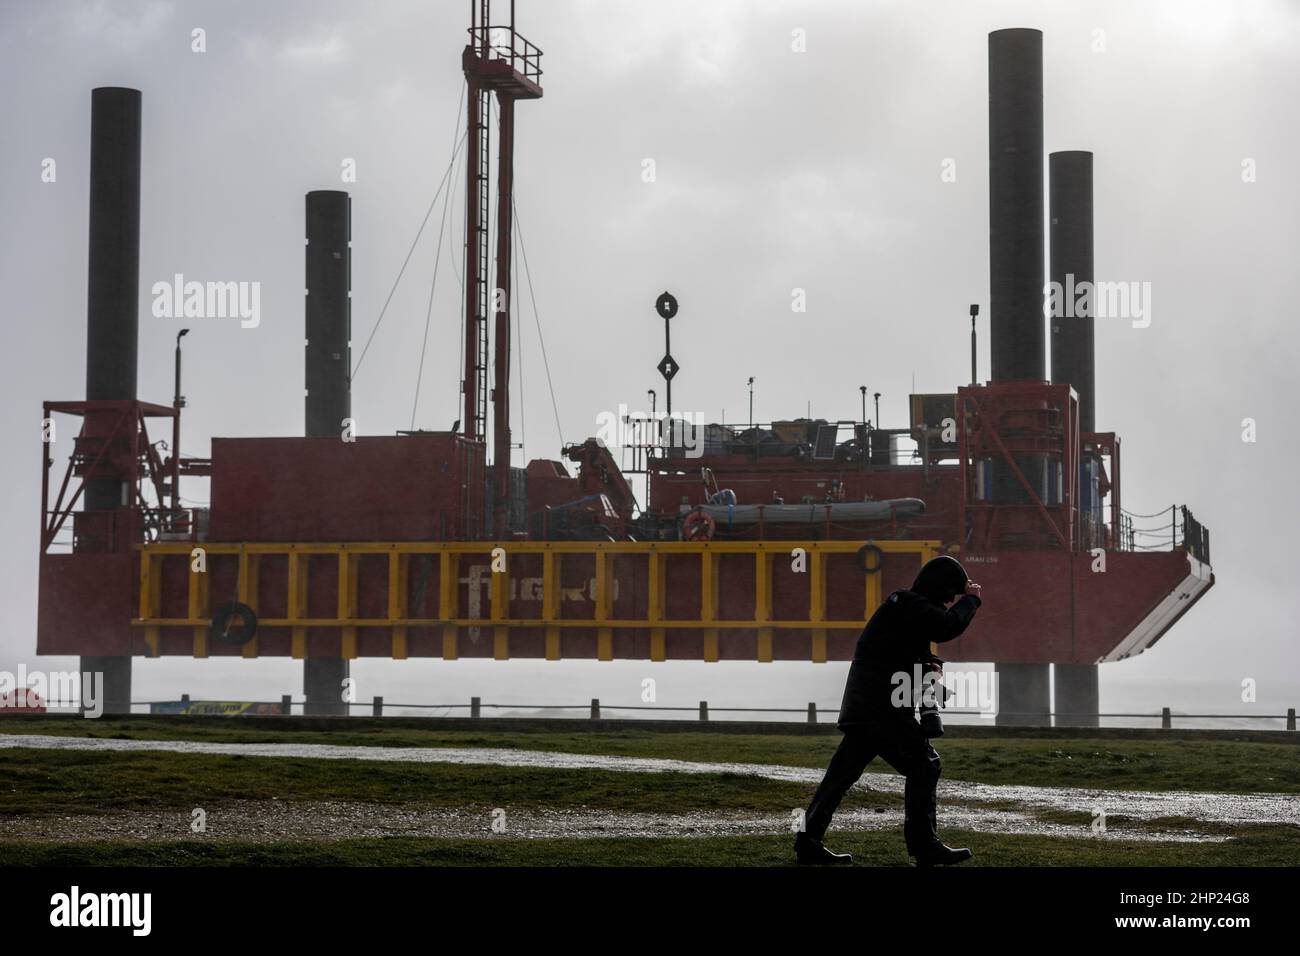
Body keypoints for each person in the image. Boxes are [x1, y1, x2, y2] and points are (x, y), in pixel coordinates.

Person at [795, 554, 982, 866]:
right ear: (939, 587)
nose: (951, 600)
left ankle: (807, 841)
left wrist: (927, 664)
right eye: (950, 594)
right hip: (883, 710)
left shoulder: (903, 606)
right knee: (925, 764)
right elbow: (946, 627)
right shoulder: (912, 605)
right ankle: (924, 846)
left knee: (840, 776)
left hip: (866, 707)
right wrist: (972, 601)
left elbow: (904, 651)